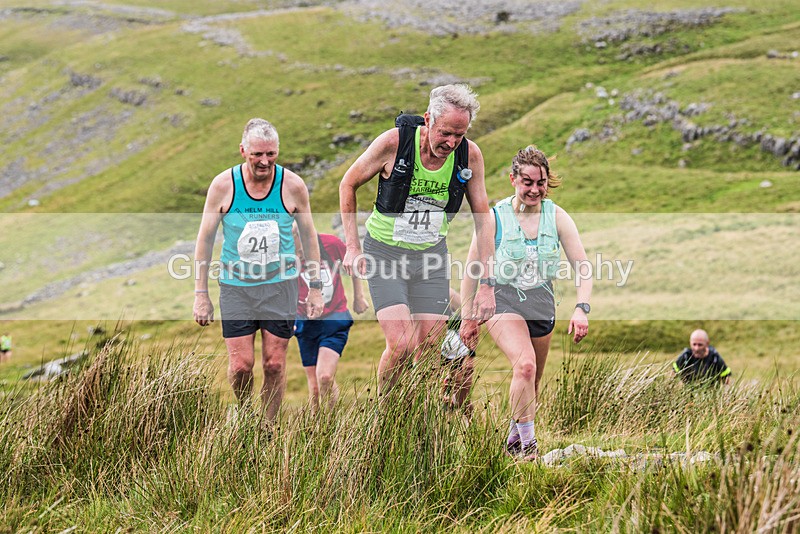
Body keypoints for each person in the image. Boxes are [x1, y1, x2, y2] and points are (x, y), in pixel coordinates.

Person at [339, 84, 496, 394]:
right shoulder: (393, 143)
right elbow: (348, 184)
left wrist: (488, 284)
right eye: (445, 133)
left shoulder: (470, 155)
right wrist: (353, 247)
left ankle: (414, 422)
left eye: (459, 135)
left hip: (430, 258)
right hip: (385, 255)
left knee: (428, 347)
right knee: (401, 345)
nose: (451, 142)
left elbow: (483, 217)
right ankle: (386, 418)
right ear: (428, 120)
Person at [460, 145, 592, 461]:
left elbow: (583, 267)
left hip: (542, 304)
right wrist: (467, 317)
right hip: (501, 300)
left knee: (531, 381)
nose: (534, 189)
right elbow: (471, 270)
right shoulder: (494, 218)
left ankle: (512, 442)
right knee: (525, 365)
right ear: (513, 180)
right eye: (527, 182)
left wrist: (581, 307)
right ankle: (530, 450)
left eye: (540, 182)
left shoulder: (557, 216)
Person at [193, 118, 324, 425]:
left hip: (280, 285)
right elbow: (205, 238)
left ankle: (266, 428)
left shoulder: (292, 186)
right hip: (236, 286)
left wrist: (315, 287)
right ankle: (244, 410)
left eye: (271, 154)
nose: (265, 161)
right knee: (241, 365)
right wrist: (201, 294)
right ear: (243, 151)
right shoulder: (224, 186)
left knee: (275, 364)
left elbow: (309, 236)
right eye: (257, 155)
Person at [294, 228, 369, 412]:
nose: (300, 255)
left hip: (334, 318)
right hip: (304, 322)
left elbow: (353, 264)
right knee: (314, 388)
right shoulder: (283, 251)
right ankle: (318, 431)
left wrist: (358, 296)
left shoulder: (330, 244)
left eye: (301, 250)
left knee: (325, 377)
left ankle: (330, 425)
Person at [440, 288, 476, 414]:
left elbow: (472, 320)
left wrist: (471, 354)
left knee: (463, 396)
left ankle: (470, 427)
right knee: (440, 395)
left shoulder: (449, 294)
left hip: (460, 352)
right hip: (436, 355)